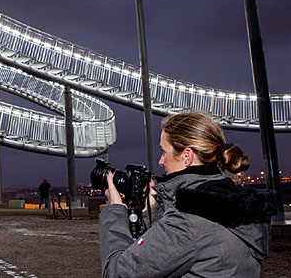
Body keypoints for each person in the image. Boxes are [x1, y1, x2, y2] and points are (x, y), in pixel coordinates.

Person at [100, 111, 274, 277]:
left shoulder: (189, 219)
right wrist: (152, 212)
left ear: (186, 156)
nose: (160, 161)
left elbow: (118, 272)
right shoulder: (232, 201)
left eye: (164, 152)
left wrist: (115, 210)